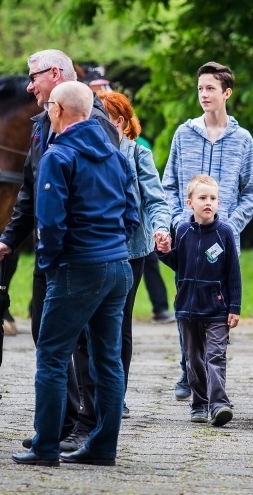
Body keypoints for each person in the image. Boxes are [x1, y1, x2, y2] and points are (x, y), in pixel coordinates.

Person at [0, 49, 118, 451]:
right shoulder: (44, 124)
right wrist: (9, 238)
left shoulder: (92, 125)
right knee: (50, 337)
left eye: (34, 77)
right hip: (61, 255)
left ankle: (83, 429)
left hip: (76, 258)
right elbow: (30, 191)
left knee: (78, 348)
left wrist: (62, 253)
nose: (28, 85)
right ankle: (61, 426)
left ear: (56, 75)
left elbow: (109, 197)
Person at [11, 81, 138, 467]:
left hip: (78, 267)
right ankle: (103, 447)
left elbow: (49, 223)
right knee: (108, 361)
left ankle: (46, 446)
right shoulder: (116, 154)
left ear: (59, 109)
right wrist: (112, 244)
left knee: (51, 356)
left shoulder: (58, 154)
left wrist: (50, 265)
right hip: (118, 268)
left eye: (50, 105)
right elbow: (133, 214)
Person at [162, 61, 253, 400]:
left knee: (217, 306)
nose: (204, 94)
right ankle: (187, 371)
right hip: (187, 238)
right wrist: (177, 221)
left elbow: (252, 191)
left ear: (226, 93)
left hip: (223, 240)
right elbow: (169, 184)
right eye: (200, 88)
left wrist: (231, 225)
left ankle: (212, 372)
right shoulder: (183, 134)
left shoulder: (242, 139)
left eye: (210, 89)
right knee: (185, 301)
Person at [97, 91, 171, 418]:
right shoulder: (88, 152)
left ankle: (117, 396)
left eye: (101, 116)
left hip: (131, 252)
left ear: (120, 121)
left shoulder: (138, 154)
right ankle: (92, 393)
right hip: (94, 250)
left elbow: (155, 200)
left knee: (119, 322)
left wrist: (161, 228)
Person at [156, 174, 241, 426]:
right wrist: (163, 252)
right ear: (189, 202)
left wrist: (234, 307)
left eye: (213, 198)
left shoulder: (225, 232)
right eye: (202, 198)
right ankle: (199, 403)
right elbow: (177, 264)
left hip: (216, 308)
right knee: (193, 359)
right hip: (187, 309)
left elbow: (233, 274)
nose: (208, 202)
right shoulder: (182, 230)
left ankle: (219, 405)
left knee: (215, 356)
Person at [137, 135, 176, 324]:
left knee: (150, 262)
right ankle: (160, 308)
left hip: (144, 218)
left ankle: (160, 308)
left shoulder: (141, 145)